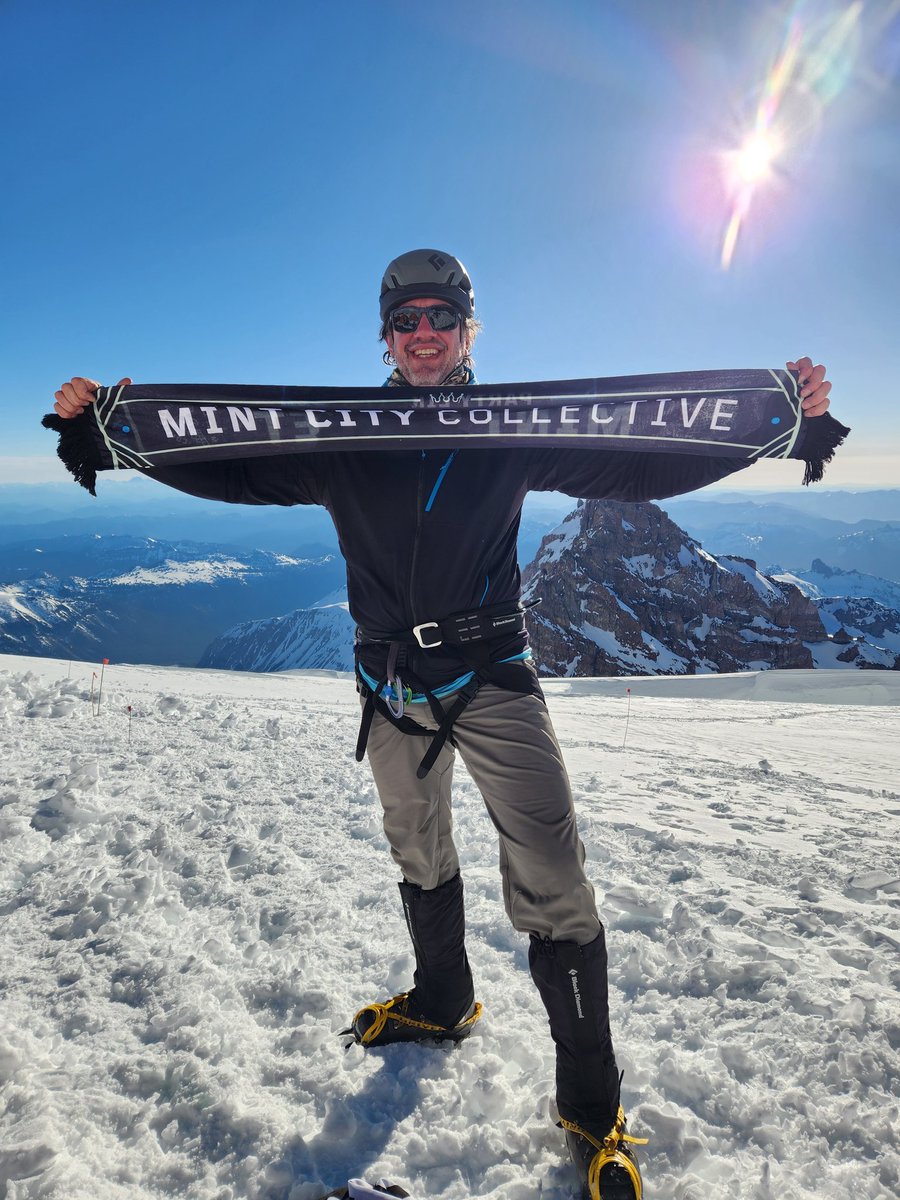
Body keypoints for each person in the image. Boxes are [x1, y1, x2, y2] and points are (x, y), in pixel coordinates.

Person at [53, 249, 832, 1200]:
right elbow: (236, 466)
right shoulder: (339, 438)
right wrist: (117, 431)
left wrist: (769, 424)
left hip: (493, 672)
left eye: (442, 318)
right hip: (390, 683)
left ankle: (591, 1105)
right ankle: (442, 1000)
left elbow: (631, 462)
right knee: (417, 847)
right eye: (407, 319)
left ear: (468, 332)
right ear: (387, 335)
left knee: (553, 878)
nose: (424, 334)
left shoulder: (508, 431)